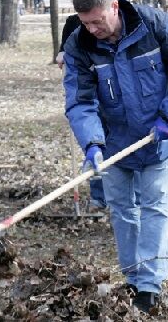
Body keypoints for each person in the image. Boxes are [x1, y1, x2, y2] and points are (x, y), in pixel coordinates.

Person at [63, 0, 168, 313]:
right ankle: (132, 277)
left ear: (114, 6)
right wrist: (93, 144)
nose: (93, 28)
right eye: (86, 22)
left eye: (98, 20)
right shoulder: (79, 45)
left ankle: (150, 286)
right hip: (112, 144)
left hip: (156, 137)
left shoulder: (154, 25)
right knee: (122, 209)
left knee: (154, 205)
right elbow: (80, 101)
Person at [56, 14, 107, 211]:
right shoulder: (73, 22)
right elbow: (63, 54)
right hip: (88, 93)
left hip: (113, 94)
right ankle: (99, 197)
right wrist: (62, 55)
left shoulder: (115, 19)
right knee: (94, 147)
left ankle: (125, 197)